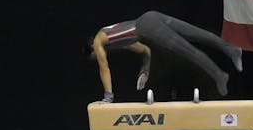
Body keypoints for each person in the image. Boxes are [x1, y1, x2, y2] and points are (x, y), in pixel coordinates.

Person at [88, 11, 243, 103]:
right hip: (150, 18)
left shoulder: (98, 41)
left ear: (92, 48)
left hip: (147, 26)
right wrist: (145, 72)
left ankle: (220, 75)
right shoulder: (115, 41)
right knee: (196, 34)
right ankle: (231, 49)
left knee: (187, 50)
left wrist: (108, 96)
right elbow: (145, 51)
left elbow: (104, 69)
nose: (98, 57)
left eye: (94, 55)